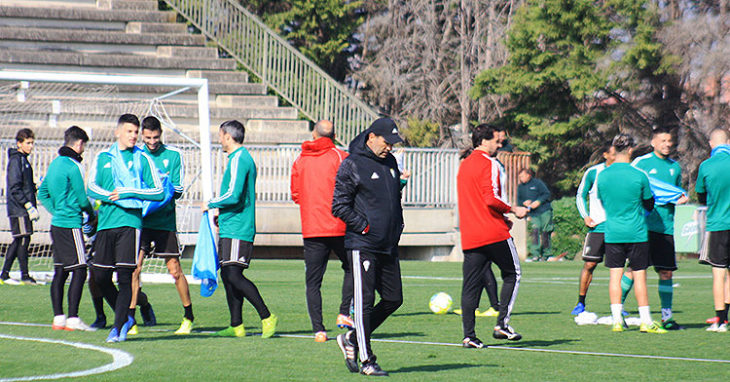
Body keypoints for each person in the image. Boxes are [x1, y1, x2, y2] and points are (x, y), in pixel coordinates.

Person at [332, 117, 405, 376]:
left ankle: (351, 338)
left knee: (394, 299)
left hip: (388, 245)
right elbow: (338, 205)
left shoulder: (392, 163)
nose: (390, 148)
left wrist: (398, 226)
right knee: (363, 303)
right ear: (371, 137)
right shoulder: (352, 164)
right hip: (362, 245)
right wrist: (364, 227)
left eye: (393, 144)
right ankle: (367, 361)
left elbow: (393, 200)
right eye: (387, 143)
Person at [87, 114, 165, 342]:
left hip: (130, 224)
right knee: (100, 277)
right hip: (106, 224)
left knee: (124, 277)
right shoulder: (103, 157)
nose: (134, 136)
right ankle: (124, 317)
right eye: (129, 131)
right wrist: (114, 198)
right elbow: (92, 187)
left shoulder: (143, 159)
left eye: (135, 132)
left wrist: (130, 193)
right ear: (118, 132)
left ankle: (118, 325)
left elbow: (158, 191)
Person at [457, 123, 528, 349]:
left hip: (470, 234)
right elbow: (490, 198)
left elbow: (476, 200)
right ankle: (502, 324)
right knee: (513, 273)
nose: (500, 145)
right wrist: (512, 209)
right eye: (497, 141)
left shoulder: (464, 165)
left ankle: (469, 336)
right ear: (484, 140)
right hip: (493, 232)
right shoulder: (491, 163)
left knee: (470, 285)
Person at [207, 120, 277, 338]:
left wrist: (211, 203)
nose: (219, 140)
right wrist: (221, 213)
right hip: (230, 224)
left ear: (228, 136)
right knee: (228, 276)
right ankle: (236, 325)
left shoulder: (240, 159)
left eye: (220, 135)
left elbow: (235, 194)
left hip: (239, 227)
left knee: (234, 274)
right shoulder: (236, 159)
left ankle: (267, 316)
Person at [126, 116, 194, 335]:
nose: (152, 142)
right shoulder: (135, 156)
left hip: (164, 222)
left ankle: (188, 316)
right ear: (141, 136)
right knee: (134, 269)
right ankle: (131, 318)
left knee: (174, 269)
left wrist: (164, 193)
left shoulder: (173, 155)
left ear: (161, 134)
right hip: (141, 222)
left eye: (155, 137)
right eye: (147, 138)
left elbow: (179, 189)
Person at [290, 119, 354, 343]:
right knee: (353, 268)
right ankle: (345, 312)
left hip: (312, 227)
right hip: (339, 225)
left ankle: (319, 330)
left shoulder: (300, 159)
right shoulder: (341, 157)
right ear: (334, 136)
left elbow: (296, 194)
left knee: (313, 281)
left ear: (314, 135)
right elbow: (352, 188)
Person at [596, 133, 666, 334]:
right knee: (640, 277)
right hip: (636, 233)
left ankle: (617, 320)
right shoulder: (639, 175)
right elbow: (649, 203)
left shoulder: (603, 175)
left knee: (614, 277)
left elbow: (603, 200)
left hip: (613, 233)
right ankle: (646, 321)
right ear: (631, 150)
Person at [622, 127, 689, 330]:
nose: (667, 144)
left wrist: (681, 199)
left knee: (666, 272)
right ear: (653, 142)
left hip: (666, 227)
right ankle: (617, 310)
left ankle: (667, 317)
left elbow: (675, 193)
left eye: (669, 141)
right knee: (634, 270)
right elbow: (630, 185)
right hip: (643, 227)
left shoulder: (675, 167)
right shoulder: (641, 163)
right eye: (663, 140)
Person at [37, 126, 96, 331]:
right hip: (71, 224)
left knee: (60, 271)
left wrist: (56, 210)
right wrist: (91, 213)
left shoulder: (54, 164)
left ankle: (58, 318)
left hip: (57, 225)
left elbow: (42, 193)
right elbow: (82, 198)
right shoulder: (74, 166)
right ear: (79, 143)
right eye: (84, 146)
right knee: (80, 269)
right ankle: (73, 318)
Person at [571, 143, 616, 315]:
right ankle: (580, 302)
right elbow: (581, 194)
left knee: (618, 267)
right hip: (597, 227)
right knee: (589, 264)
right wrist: (586, 216)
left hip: (617, 227)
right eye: (613, 153)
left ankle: (619, 305)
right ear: (605, 154)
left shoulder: (625, 171)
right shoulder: (594, 172)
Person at [696, 127, 730, 332]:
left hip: (717, 225)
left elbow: (701, 195)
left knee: (718, 274)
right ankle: (725, 316)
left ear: (711, 143)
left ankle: (719, 321)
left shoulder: (706, 166)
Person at [1, 128, 39, 285]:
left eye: (32, 143)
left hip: (22, 208)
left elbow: (24, 186)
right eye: (28, 143)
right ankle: (24, 275)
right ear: (19, 143)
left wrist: (35, 187)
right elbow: (14, 187)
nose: (30, 146)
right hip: (19, 209)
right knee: (22, 240)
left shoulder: (24, 160)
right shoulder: (17, 161)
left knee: (20, 239)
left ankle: (5, 274)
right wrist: (28, 205)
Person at [517, 168, 554, 261]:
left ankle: (547, 254)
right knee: (534, 232)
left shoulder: (538, 183)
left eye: (522, 176)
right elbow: (519, 200)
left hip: (544, 210)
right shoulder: (520, 187)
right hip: (533, 214)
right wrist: (523, 203)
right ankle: (535, 254)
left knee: (545, 232)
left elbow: (546, 194)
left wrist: (538, 201)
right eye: (520, 177)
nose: (521, 178)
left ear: (528, 175)